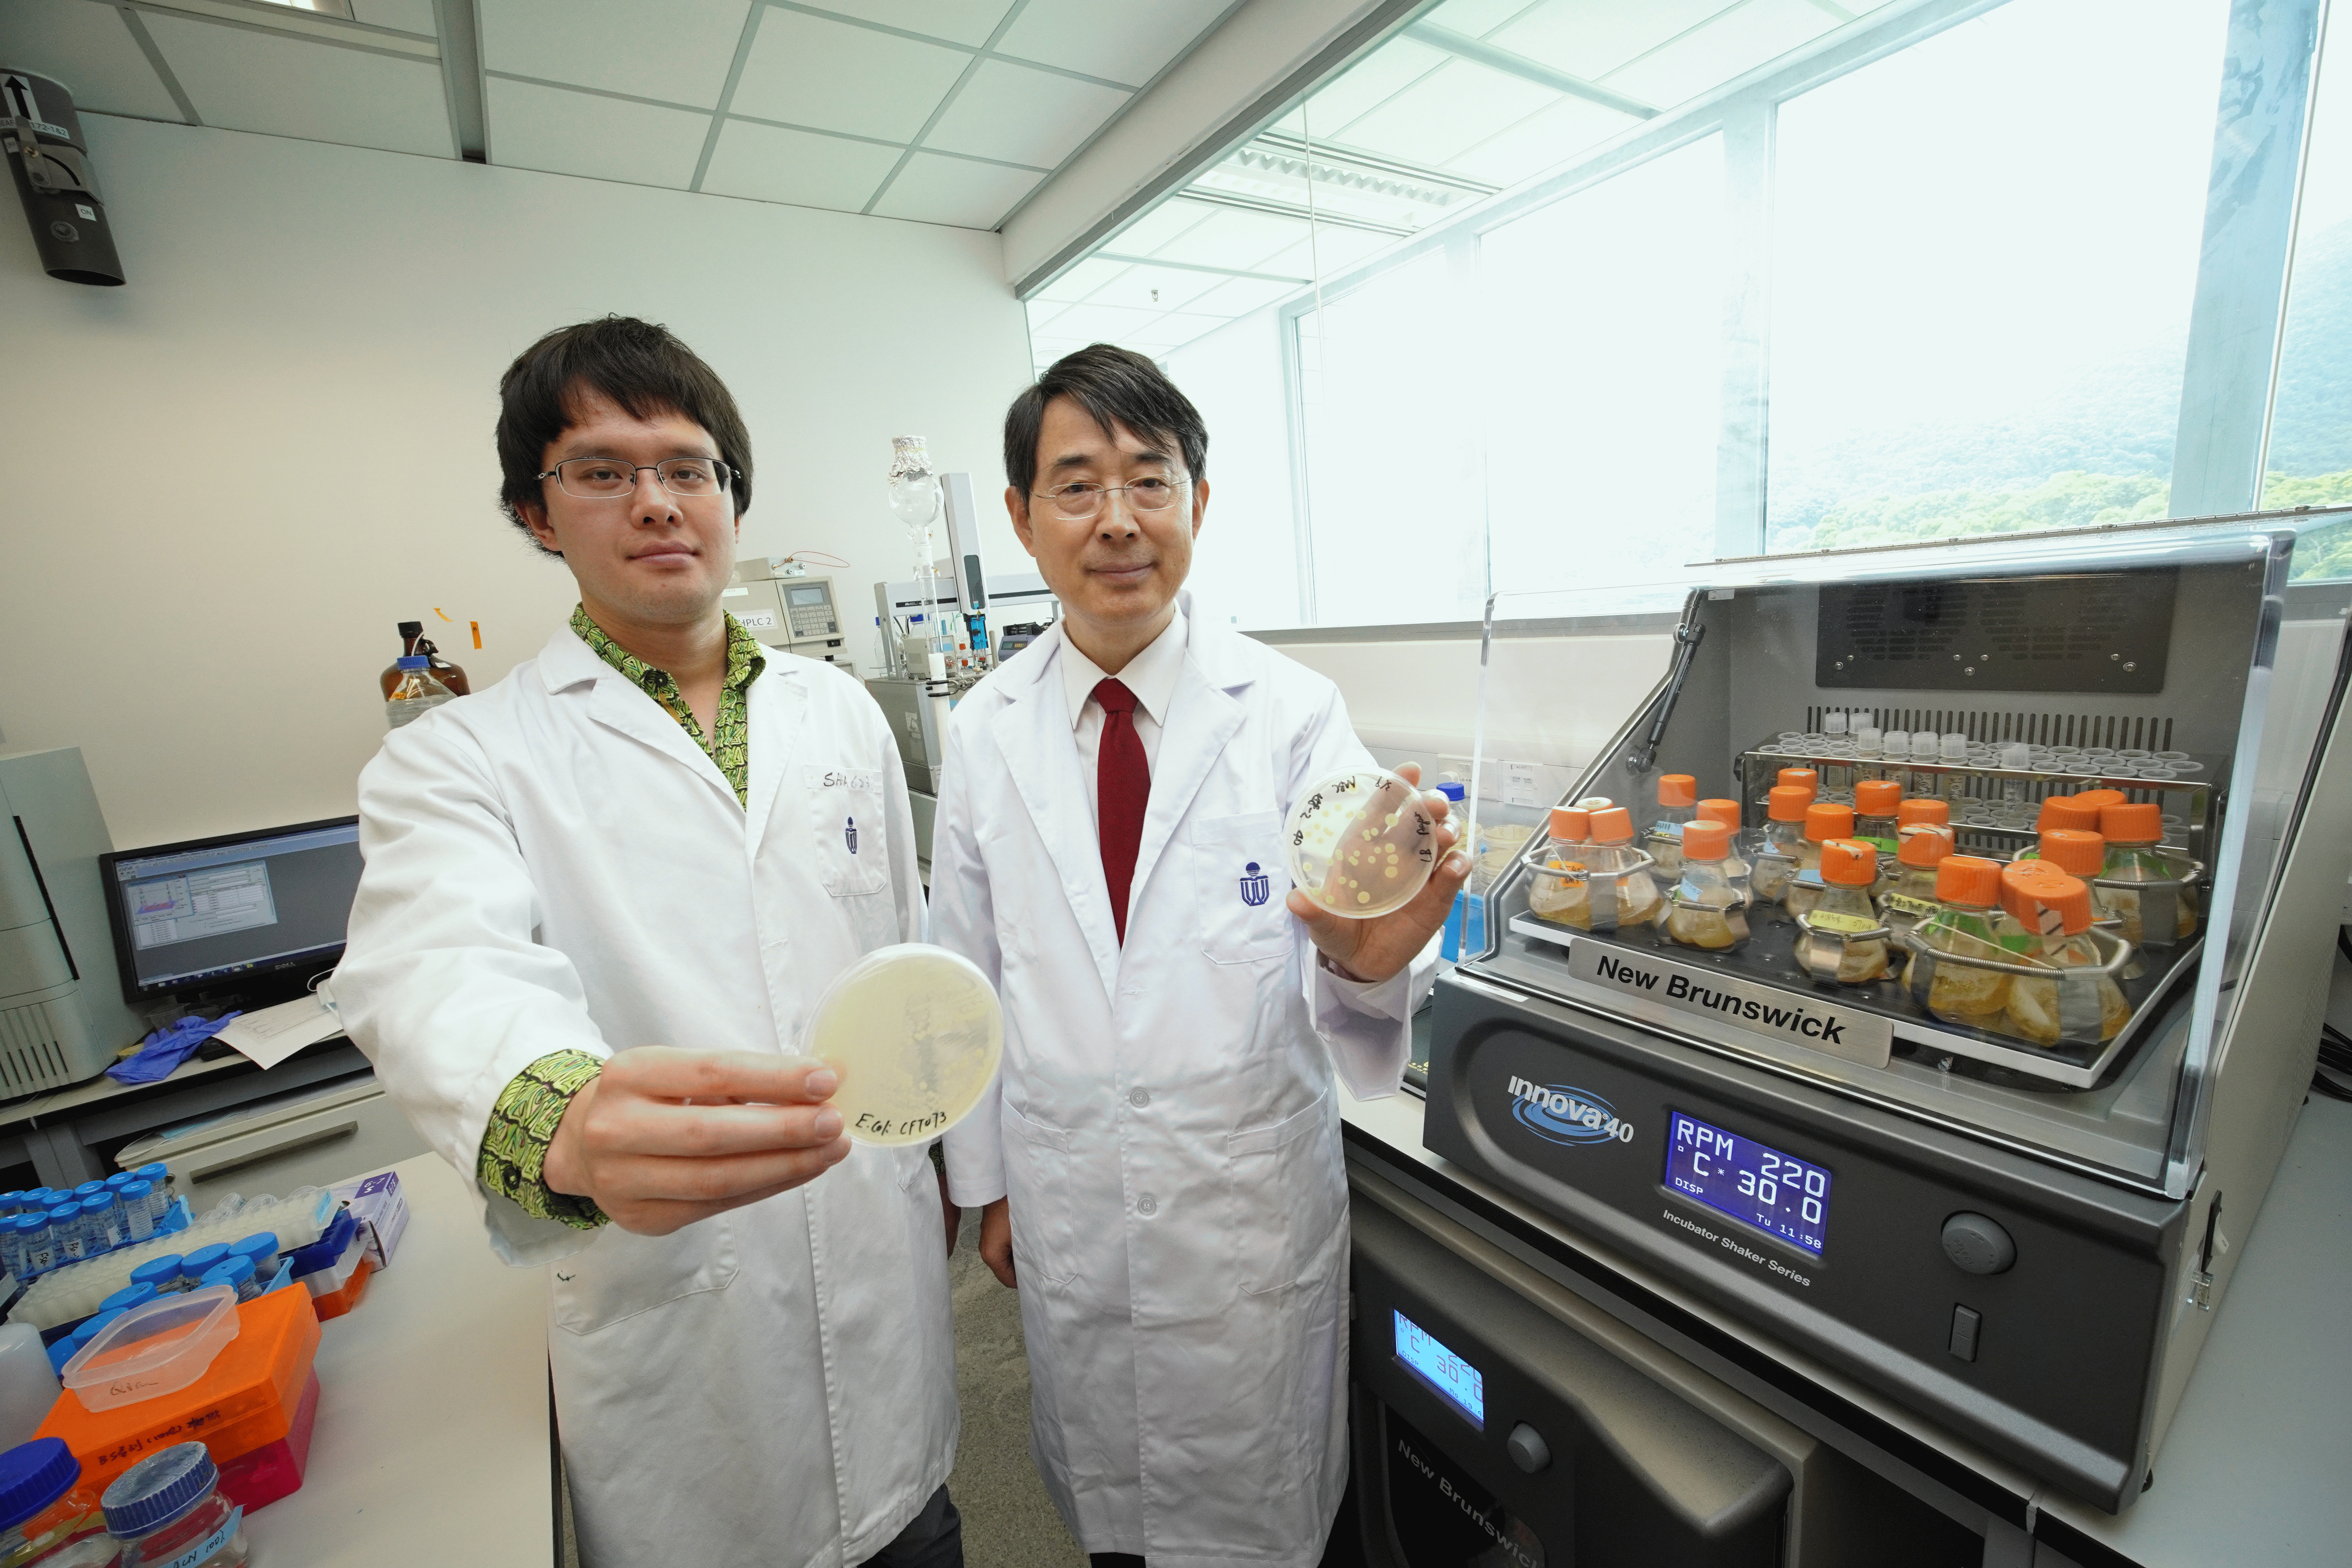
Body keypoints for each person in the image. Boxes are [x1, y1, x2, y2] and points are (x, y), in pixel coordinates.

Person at [334, 317, 964, 1568]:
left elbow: (900, 957)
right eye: (602, 471)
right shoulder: (462, 759)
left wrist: (935, 1157)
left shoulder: (840, 713)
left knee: (914, 1529)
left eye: (688, 468)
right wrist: (564, 1119)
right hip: (678, 1328)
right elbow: (435, 970)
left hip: (880, 1274)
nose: (658, 503)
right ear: (535, 512)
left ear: (731, 494)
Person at [932, 343, 1467, 1566]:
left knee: (1265, 1521)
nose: (1118, 520)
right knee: (1114, 1518)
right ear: (1021, 517)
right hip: (1069, 1194)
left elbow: (1354, 936)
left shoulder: (1292, 712)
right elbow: (962, 974)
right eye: (1078, 485)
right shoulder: (984, 731)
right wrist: (991, 1184)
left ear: (1200, 502)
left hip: (1244, 1217)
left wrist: (1372, 958)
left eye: (1150, 480)